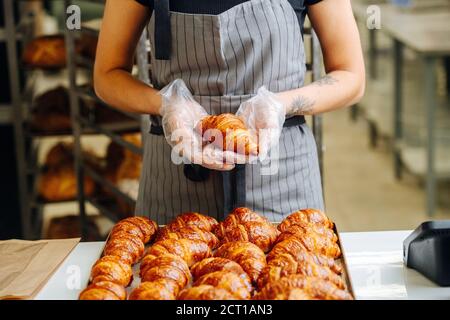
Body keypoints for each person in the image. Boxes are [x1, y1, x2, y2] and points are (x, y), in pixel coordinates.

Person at [94, 0, 365, 223]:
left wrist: (280, 105)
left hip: (281, 179)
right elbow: (107, 75)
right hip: (175, 177)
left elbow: (351, 76)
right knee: (167, 282)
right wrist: (166, 104)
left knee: (289, 282)